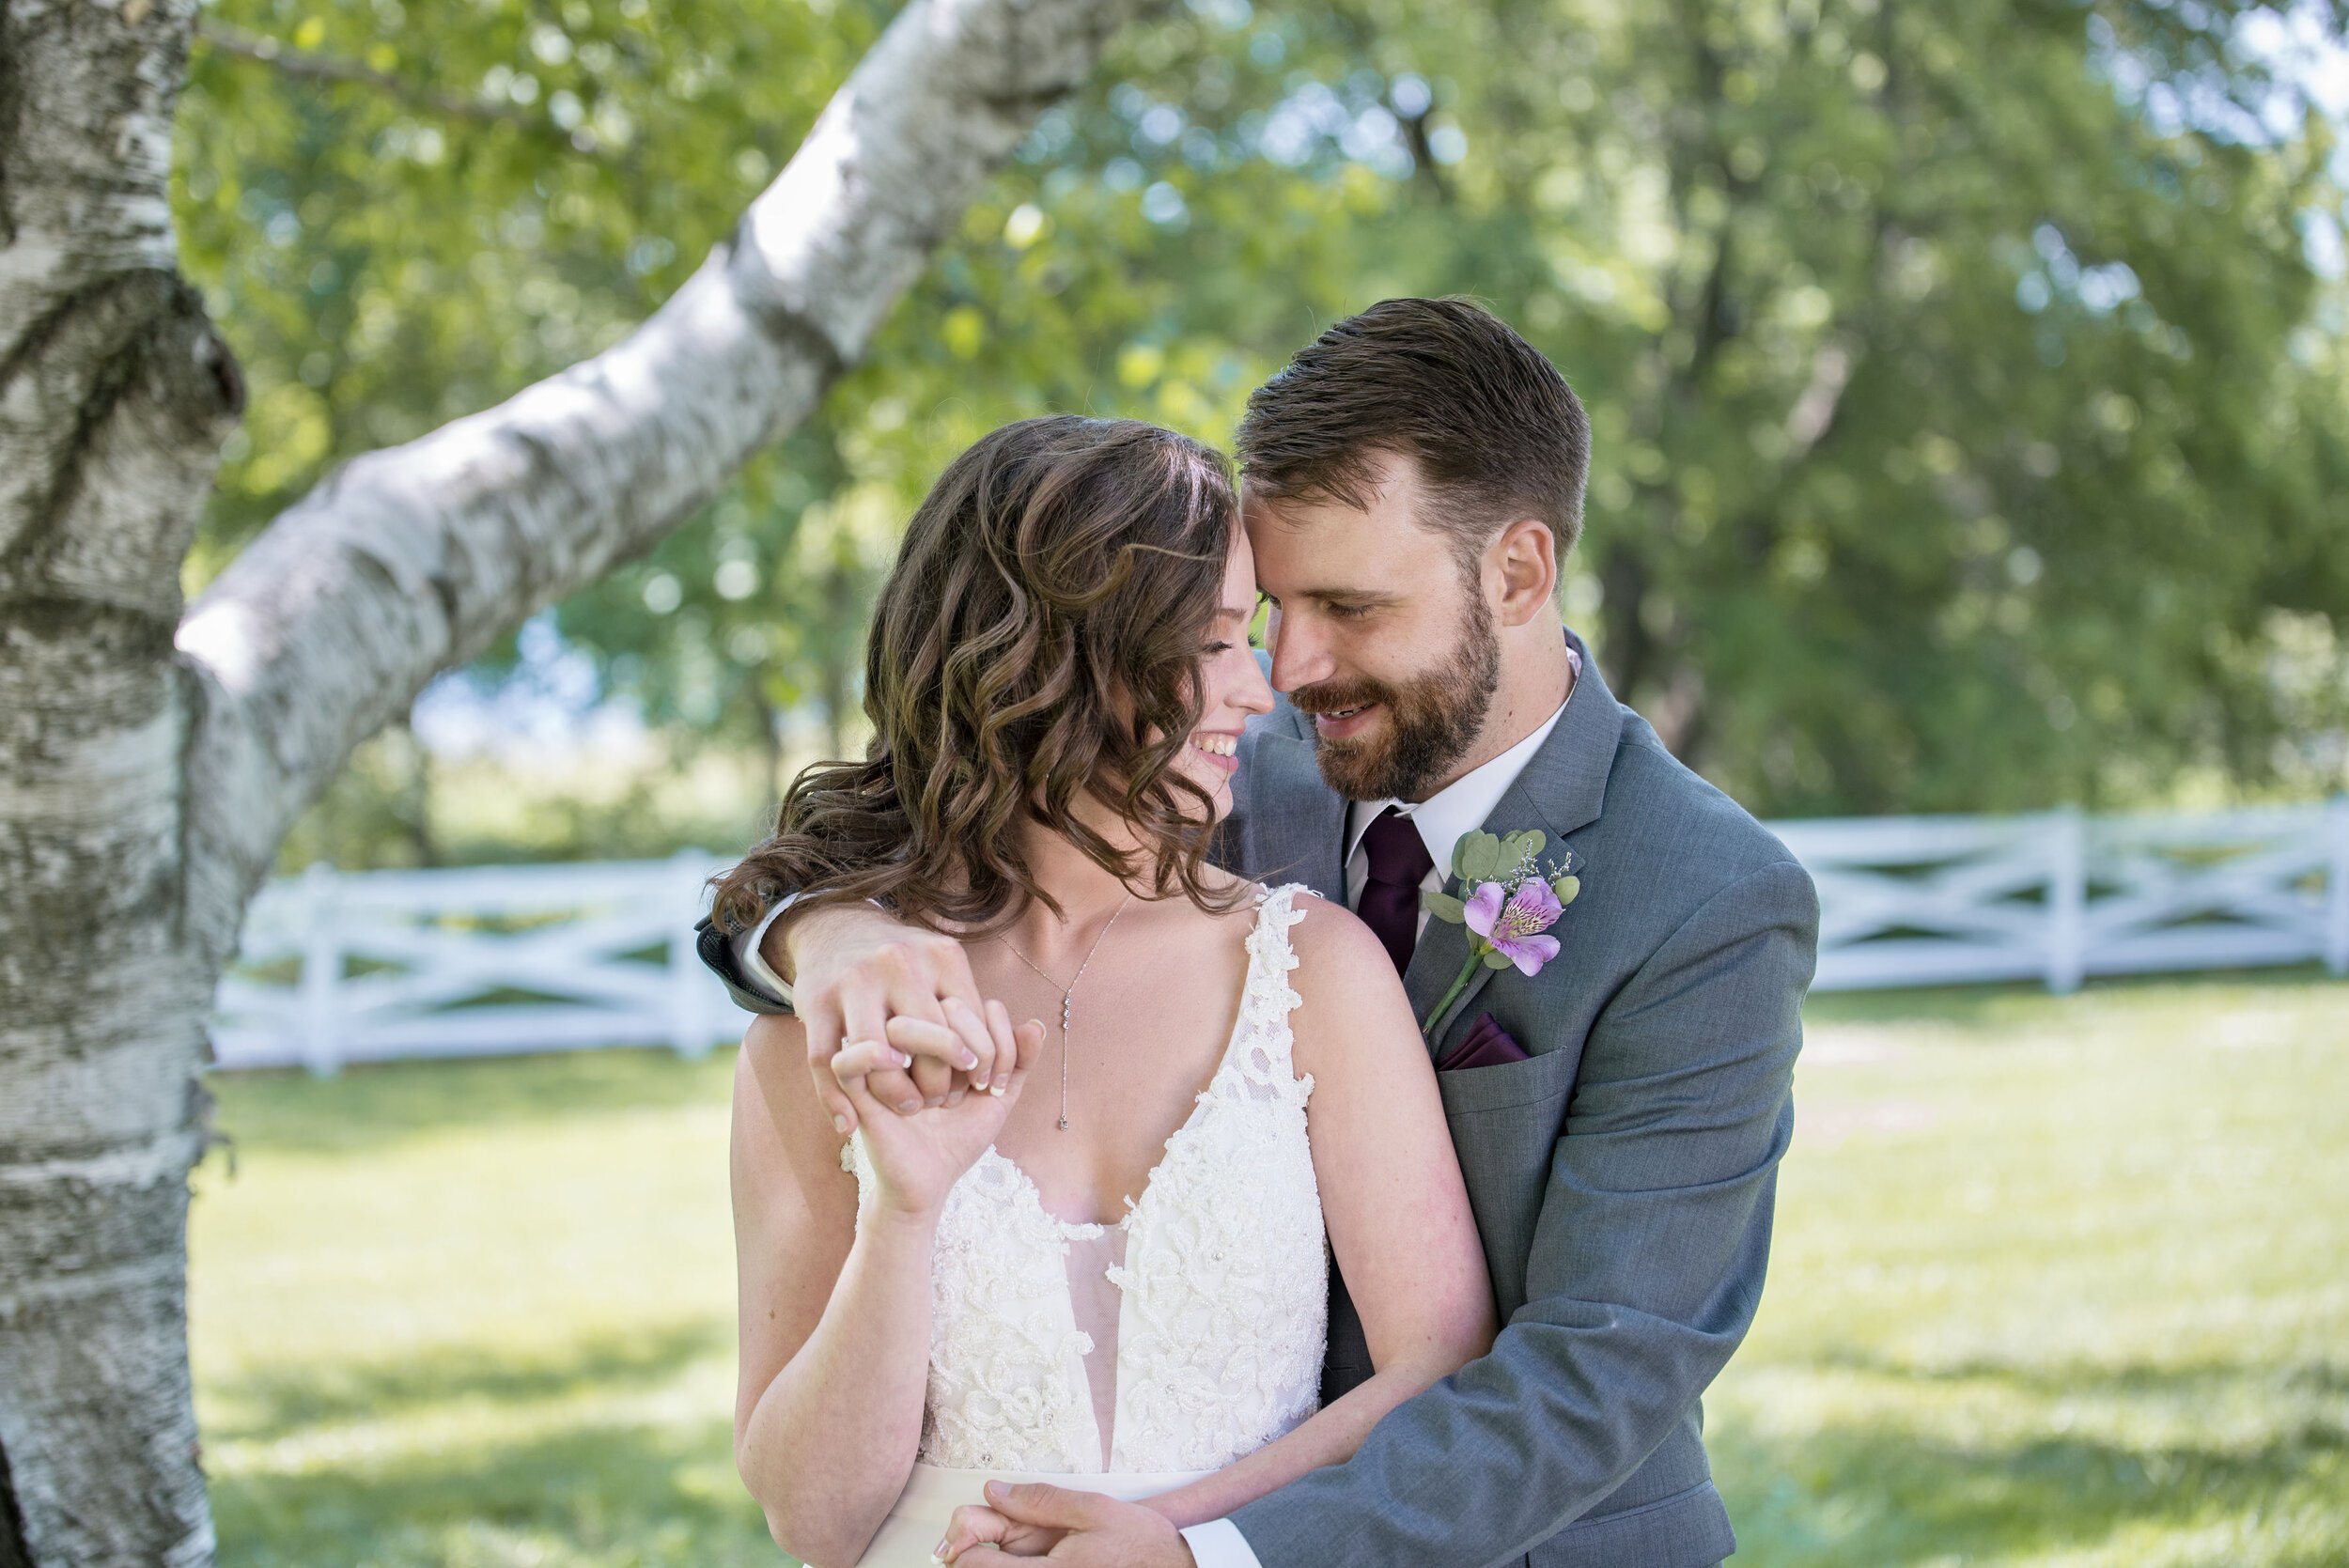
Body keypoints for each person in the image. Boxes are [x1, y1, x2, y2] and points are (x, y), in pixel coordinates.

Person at [707, 299, 1821, 1568]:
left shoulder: (1708, 897)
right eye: (1264, 613)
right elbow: (891, 839)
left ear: (1514, 574)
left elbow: (1591, 1373)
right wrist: (822, 939)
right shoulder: (1213, 774)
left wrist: (1201, 1551)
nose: (1288, 669)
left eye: (1347, 606)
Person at [721, 413, 1497, 1567]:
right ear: (1066, 657)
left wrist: (1176, 1544)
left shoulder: (1310, 970)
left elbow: (1438, 1367)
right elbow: (812, 1523)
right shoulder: (837, 1021)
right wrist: (903, 1213)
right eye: (1218, 640)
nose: (1260, 688)